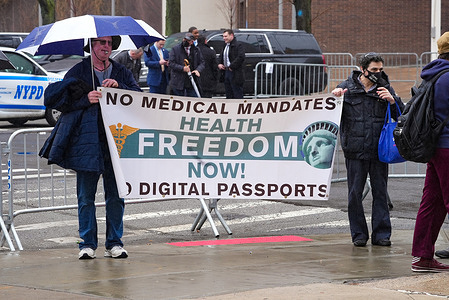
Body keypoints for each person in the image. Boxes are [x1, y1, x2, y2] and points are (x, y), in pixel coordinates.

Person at [40, 36, 142, 260]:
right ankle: (87, 244)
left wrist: (120, 87)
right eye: (101, 43)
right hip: (86, 144)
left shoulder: (121, 71)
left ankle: (115, 243)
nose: (106, 47)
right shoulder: (78, 71)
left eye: (109, 43)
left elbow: (139, 98)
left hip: (116, 143)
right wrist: (86, 99)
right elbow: (59, 103)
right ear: (92, 46)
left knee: (116, 197)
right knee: (86, 197)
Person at [331, 53, 404, 248]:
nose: (378, 73)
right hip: (354, 150)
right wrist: (335, 96)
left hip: (378, 150)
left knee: (380, 192)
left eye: (380, 69)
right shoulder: (347, 87)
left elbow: (402, 115)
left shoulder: (385, 88)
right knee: (355, 194)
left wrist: (392, 100)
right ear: (363, 69)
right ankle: (359, 234)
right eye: (374, 70)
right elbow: (330, 112)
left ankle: (381, 235)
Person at [410, 32, 449, 272]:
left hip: (435, 146)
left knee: (432, 202)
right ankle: (423, 257)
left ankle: (423, 256)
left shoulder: (432, 74)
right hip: (448, 146)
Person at [169, 32, 204, 97]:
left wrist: (198, 70)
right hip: (179, 81)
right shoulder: (175, 49)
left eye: (188, 40)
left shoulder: (196, 50)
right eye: (185, 39)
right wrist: (182, 68)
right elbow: (171, 63)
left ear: (192, 41)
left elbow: (202, 62)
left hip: (192, 80)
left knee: (193, 98)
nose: (185, 41)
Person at [218, 29, 245, 99]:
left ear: (231, 35)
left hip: (235, 72)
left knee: (237, 92)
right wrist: (219, 64)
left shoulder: (238, 45)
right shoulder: (225, 45)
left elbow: (241, 57)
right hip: (226, 71)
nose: (224, 38)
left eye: (226, 36)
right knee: (228, 92)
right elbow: (222, 56)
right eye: (223, 36)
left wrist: (232, 66)